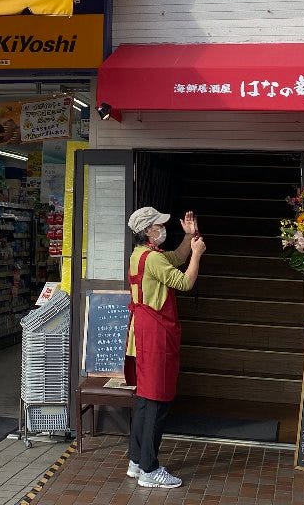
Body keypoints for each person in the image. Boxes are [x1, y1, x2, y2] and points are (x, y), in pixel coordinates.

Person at [123, 205, 204, 489]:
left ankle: (136, 460)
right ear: (148, 230)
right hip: (156, 334)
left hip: (143, 333)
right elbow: (184, 281)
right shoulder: (153, 259)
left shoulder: (141, 254)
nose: (162, 229)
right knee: (157, 400)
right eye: (158, 225)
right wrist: (197, 254)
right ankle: (150, 468)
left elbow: (177, 257)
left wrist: (189, 237)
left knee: (145, 399)